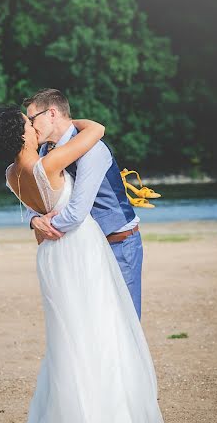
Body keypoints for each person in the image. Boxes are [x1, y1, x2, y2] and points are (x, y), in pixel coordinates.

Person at [0, 103, 166, 423]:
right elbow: (96, 129)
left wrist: (35, 222)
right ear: (21, 134)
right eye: (26, 123)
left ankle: (66, 422)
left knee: (69, 337)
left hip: (51, 256)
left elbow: (36, 206)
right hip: (79, 250)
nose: (33, 126)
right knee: (100, 331)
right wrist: (61, 117)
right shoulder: (50, 163)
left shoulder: (10, 174)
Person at [23, 88, 143, 320]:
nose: (29, 126)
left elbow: (77, 212)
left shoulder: (92, 148)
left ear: (52, 114)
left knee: (125, 324)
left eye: (31, 118)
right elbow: (33, 194)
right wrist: (34, 219)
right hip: (83, 247)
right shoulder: (46, 151)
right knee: (91, 322)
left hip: (117, 244)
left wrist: (47, 226)